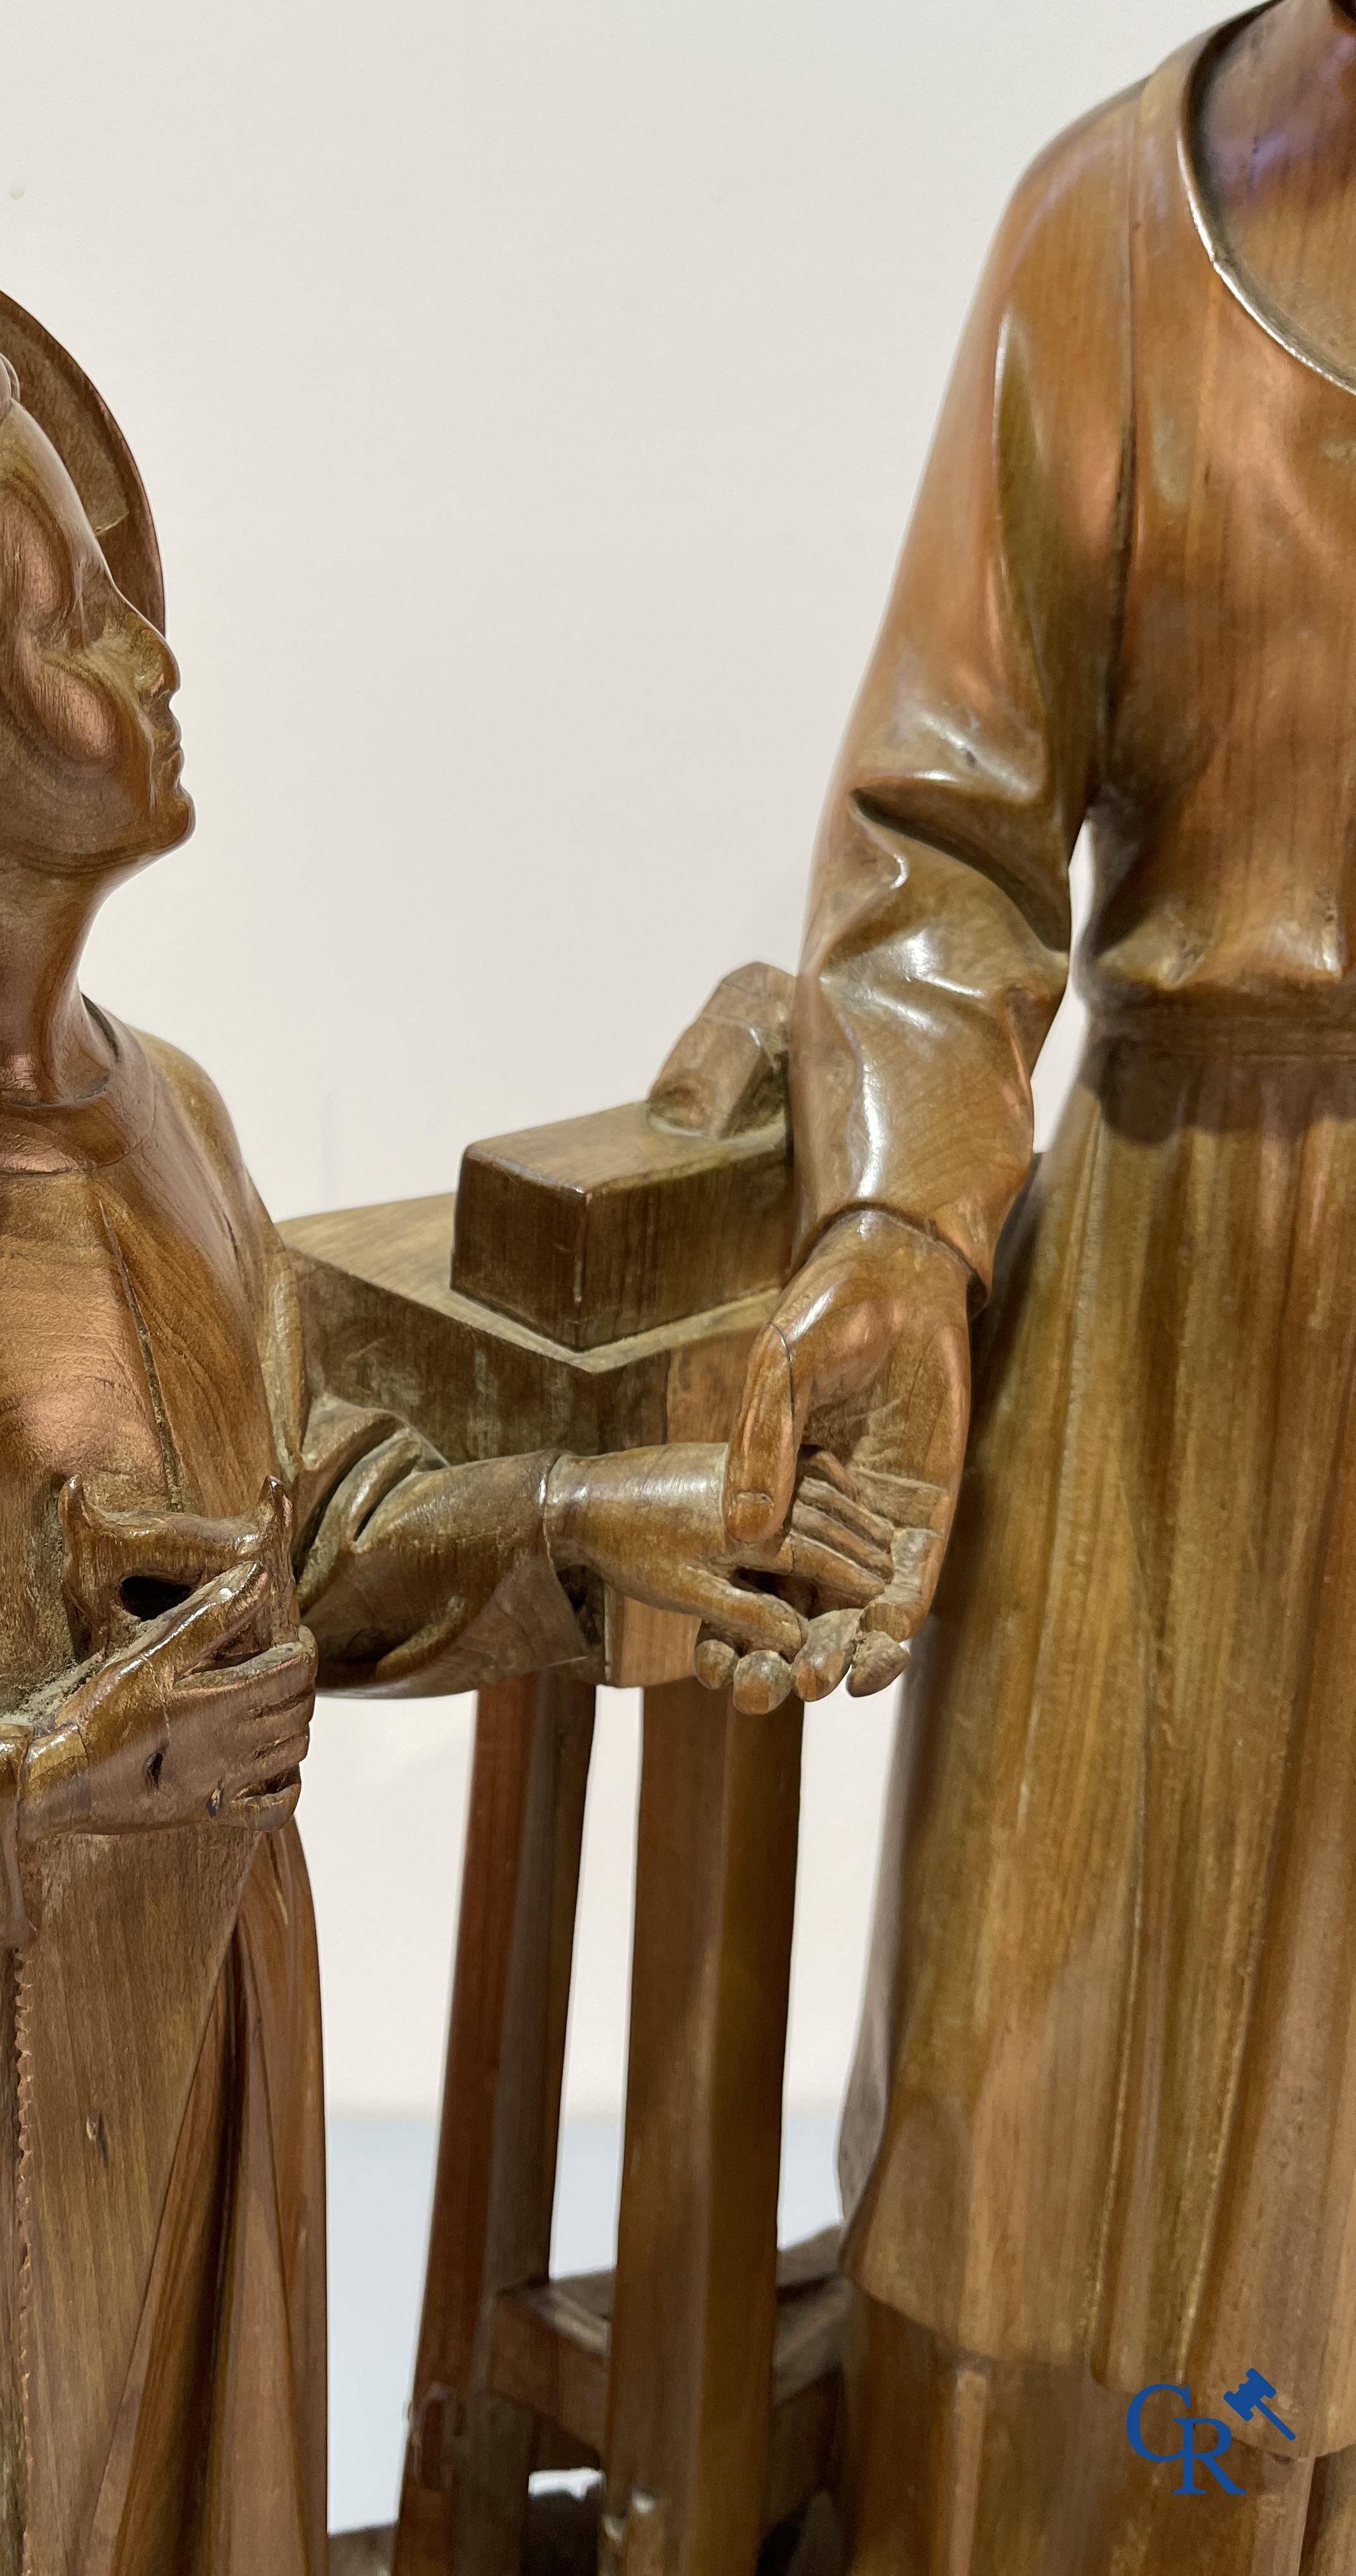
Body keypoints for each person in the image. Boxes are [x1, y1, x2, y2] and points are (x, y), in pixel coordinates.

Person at [0, 334, 885, 2576]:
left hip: (209, 2019)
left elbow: (303, 1528)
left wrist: (600, 1528)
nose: (152, 647)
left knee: (209, 2502)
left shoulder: (166, 1115)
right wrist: (46, 1781)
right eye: (70, 613)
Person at [685, 3, 1356, 2566]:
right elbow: (943, 842)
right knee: (1031, 2089)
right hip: (1173, 1300)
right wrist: (890, 1224)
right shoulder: (1112, 232)